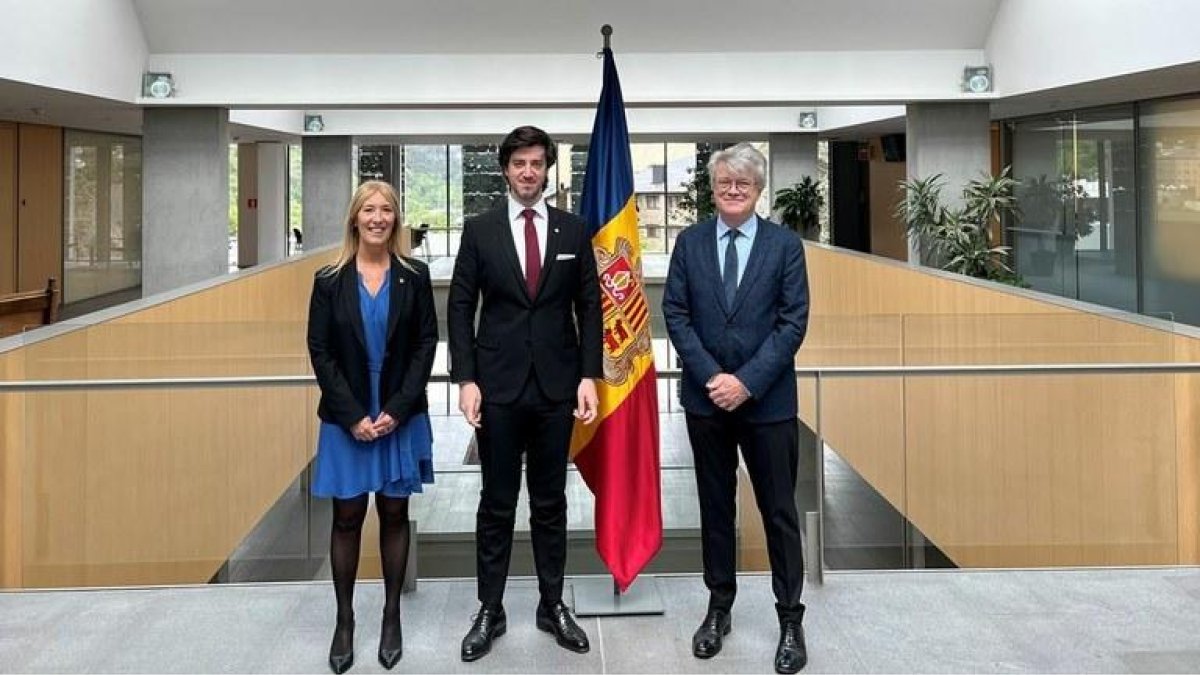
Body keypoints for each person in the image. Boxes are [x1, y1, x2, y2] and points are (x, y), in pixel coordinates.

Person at [447, 125, 602, 662]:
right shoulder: (480, 230)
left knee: (550, 502)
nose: (529, 172)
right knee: (496, 503)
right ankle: (489, 609)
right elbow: (460, 306)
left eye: (537, 163)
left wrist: (588, 375)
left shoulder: (572, 230)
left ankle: (551, 604)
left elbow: (589, 306)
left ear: (547, 169)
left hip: (557, 387)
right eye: (519, 164)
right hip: (497, 387)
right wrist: (466, 379)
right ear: (505, 170)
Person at [662, 143, 810, 674]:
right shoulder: (690, 243)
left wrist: (746, 382)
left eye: (742, 184)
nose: (732, 190)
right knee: (715, 508)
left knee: (779, 511)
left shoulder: (785, 246)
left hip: (767, 403)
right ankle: (718, 608)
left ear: (758, 190)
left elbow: (792, 323)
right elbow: (675, 313)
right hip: (707, 403)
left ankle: (790, 618)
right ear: (713, 187)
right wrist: (712, 377)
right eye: (724, 182)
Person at [306, 180, 438, 674]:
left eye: (386, 210)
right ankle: (344, 621)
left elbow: (426, 344)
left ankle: (390, 615)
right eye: (369, 210)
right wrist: (353, 415)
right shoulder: (328, 280)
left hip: (398, 414)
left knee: (394, 514)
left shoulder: (415, 276)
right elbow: (320, 350)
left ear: (395, 219)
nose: (378, 218)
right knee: (346, 518)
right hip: (349, 417)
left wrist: (397, 409)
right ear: (355, 219)